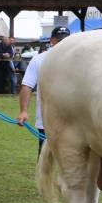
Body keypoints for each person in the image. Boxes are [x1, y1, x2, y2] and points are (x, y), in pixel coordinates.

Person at [17, 26, 71, 154]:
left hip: (73, 119)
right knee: (45, 157)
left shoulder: (79, 60)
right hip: (46, 118)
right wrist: (23, 111)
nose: (63, 43)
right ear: (52, 41)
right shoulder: (39, 59)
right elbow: (27, 86)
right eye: (59, 40)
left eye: (66, 40)